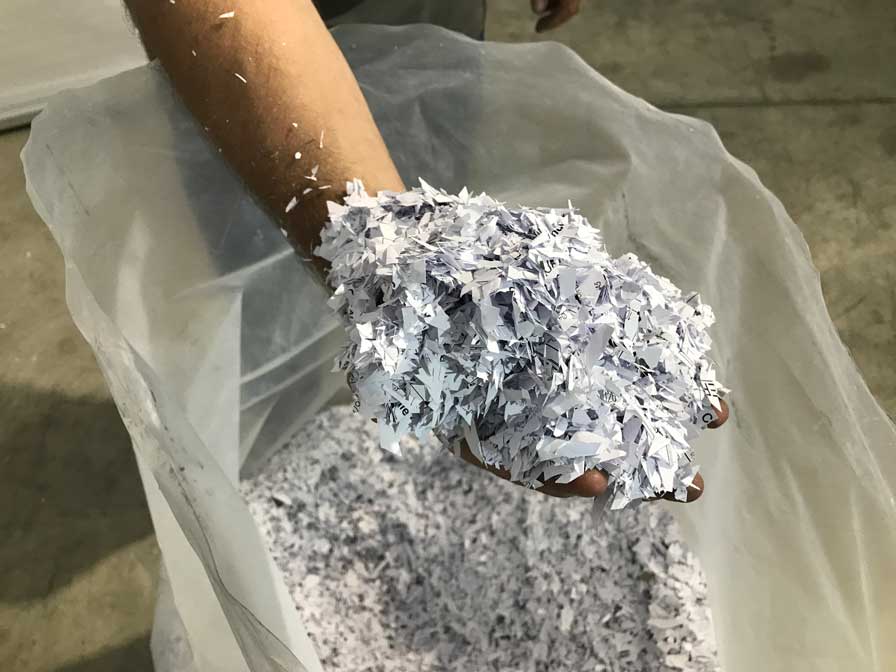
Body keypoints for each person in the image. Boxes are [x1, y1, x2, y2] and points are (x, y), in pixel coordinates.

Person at [123, 0, 728, 500]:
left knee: (433, 153)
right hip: (246, 50)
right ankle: (279, 431)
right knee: (264, 283)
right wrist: (382, 254)